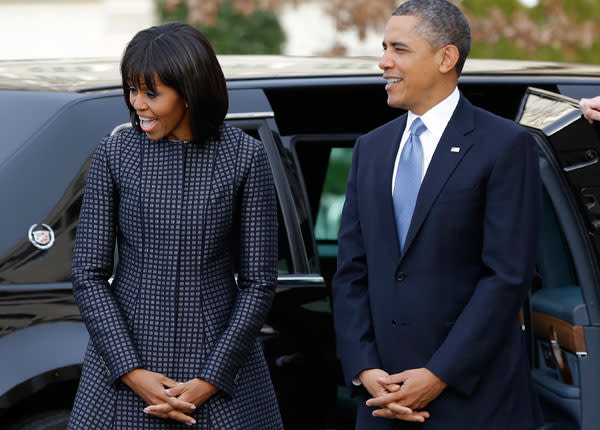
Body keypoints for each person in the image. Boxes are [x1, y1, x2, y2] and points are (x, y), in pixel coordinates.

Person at [332, 1, 543, 428]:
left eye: (399, 49)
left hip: (475, 401)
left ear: (446, 57)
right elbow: (351, 270)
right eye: (384, 48)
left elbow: (506, 278)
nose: (383, 62)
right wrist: (364, 369)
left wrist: (439, 373)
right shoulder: (371, 148)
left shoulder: (504, 145)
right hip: (382, 401)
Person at [68, 23, 282, 429]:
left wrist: (210, 379)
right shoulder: (115, 154)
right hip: (125, 367)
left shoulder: (245, 157)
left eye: (152, 93)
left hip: (219, 372)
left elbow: (258, 281)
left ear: (190, 91)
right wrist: (131, 371)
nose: (138, 105)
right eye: (132, 90)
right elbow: (88, 274)